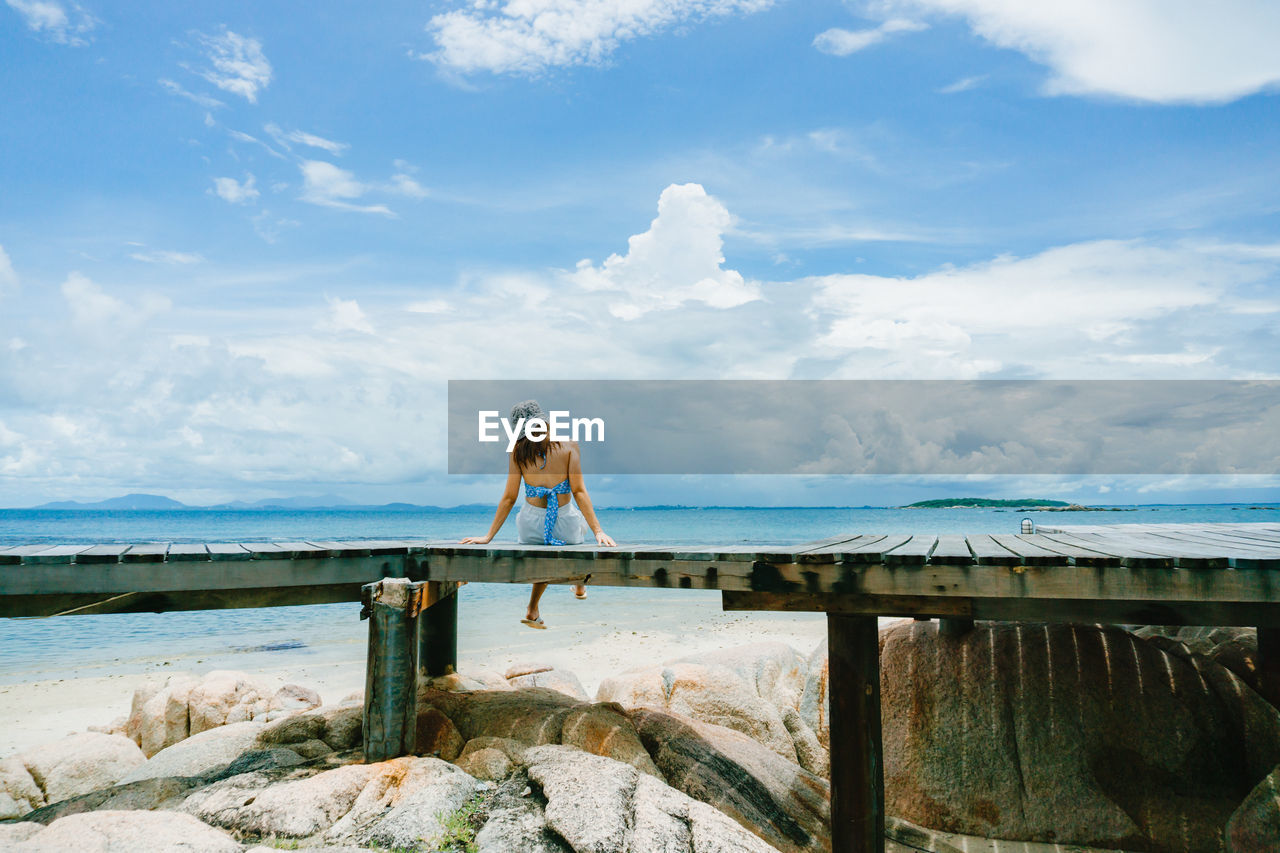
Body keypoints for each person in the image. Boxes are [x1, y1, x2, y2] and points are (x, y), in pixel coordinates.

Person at [461, 399, 615, 628]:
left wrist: (488, 536)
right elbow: (579, 491)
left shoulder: (517, 453)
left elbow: (509, 498)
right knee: (575, 530)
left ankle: (532, 608)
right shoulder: (569, 446)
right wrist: (598, 531)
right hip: (565, 525)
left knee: (546, 544)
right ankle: (579, 583)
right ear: (544, 422)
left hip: (530, 526)